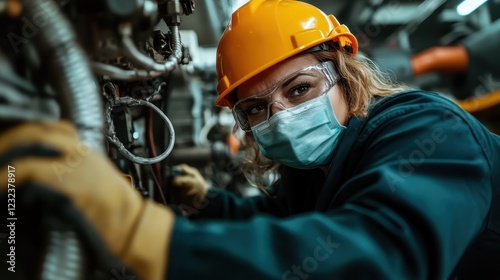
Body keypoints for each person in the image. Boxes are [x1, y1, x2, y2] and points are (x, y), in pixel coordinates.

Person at [0, 0, 499, 279]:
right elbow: (293, 222)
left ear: (347, 77)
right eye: (256, 109)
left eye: (300, 89)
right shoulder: (316, 168)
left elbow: (383, 255)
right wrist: (213, 206)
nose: (281, 116)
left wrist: (143, 234)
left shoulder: (428, 129)